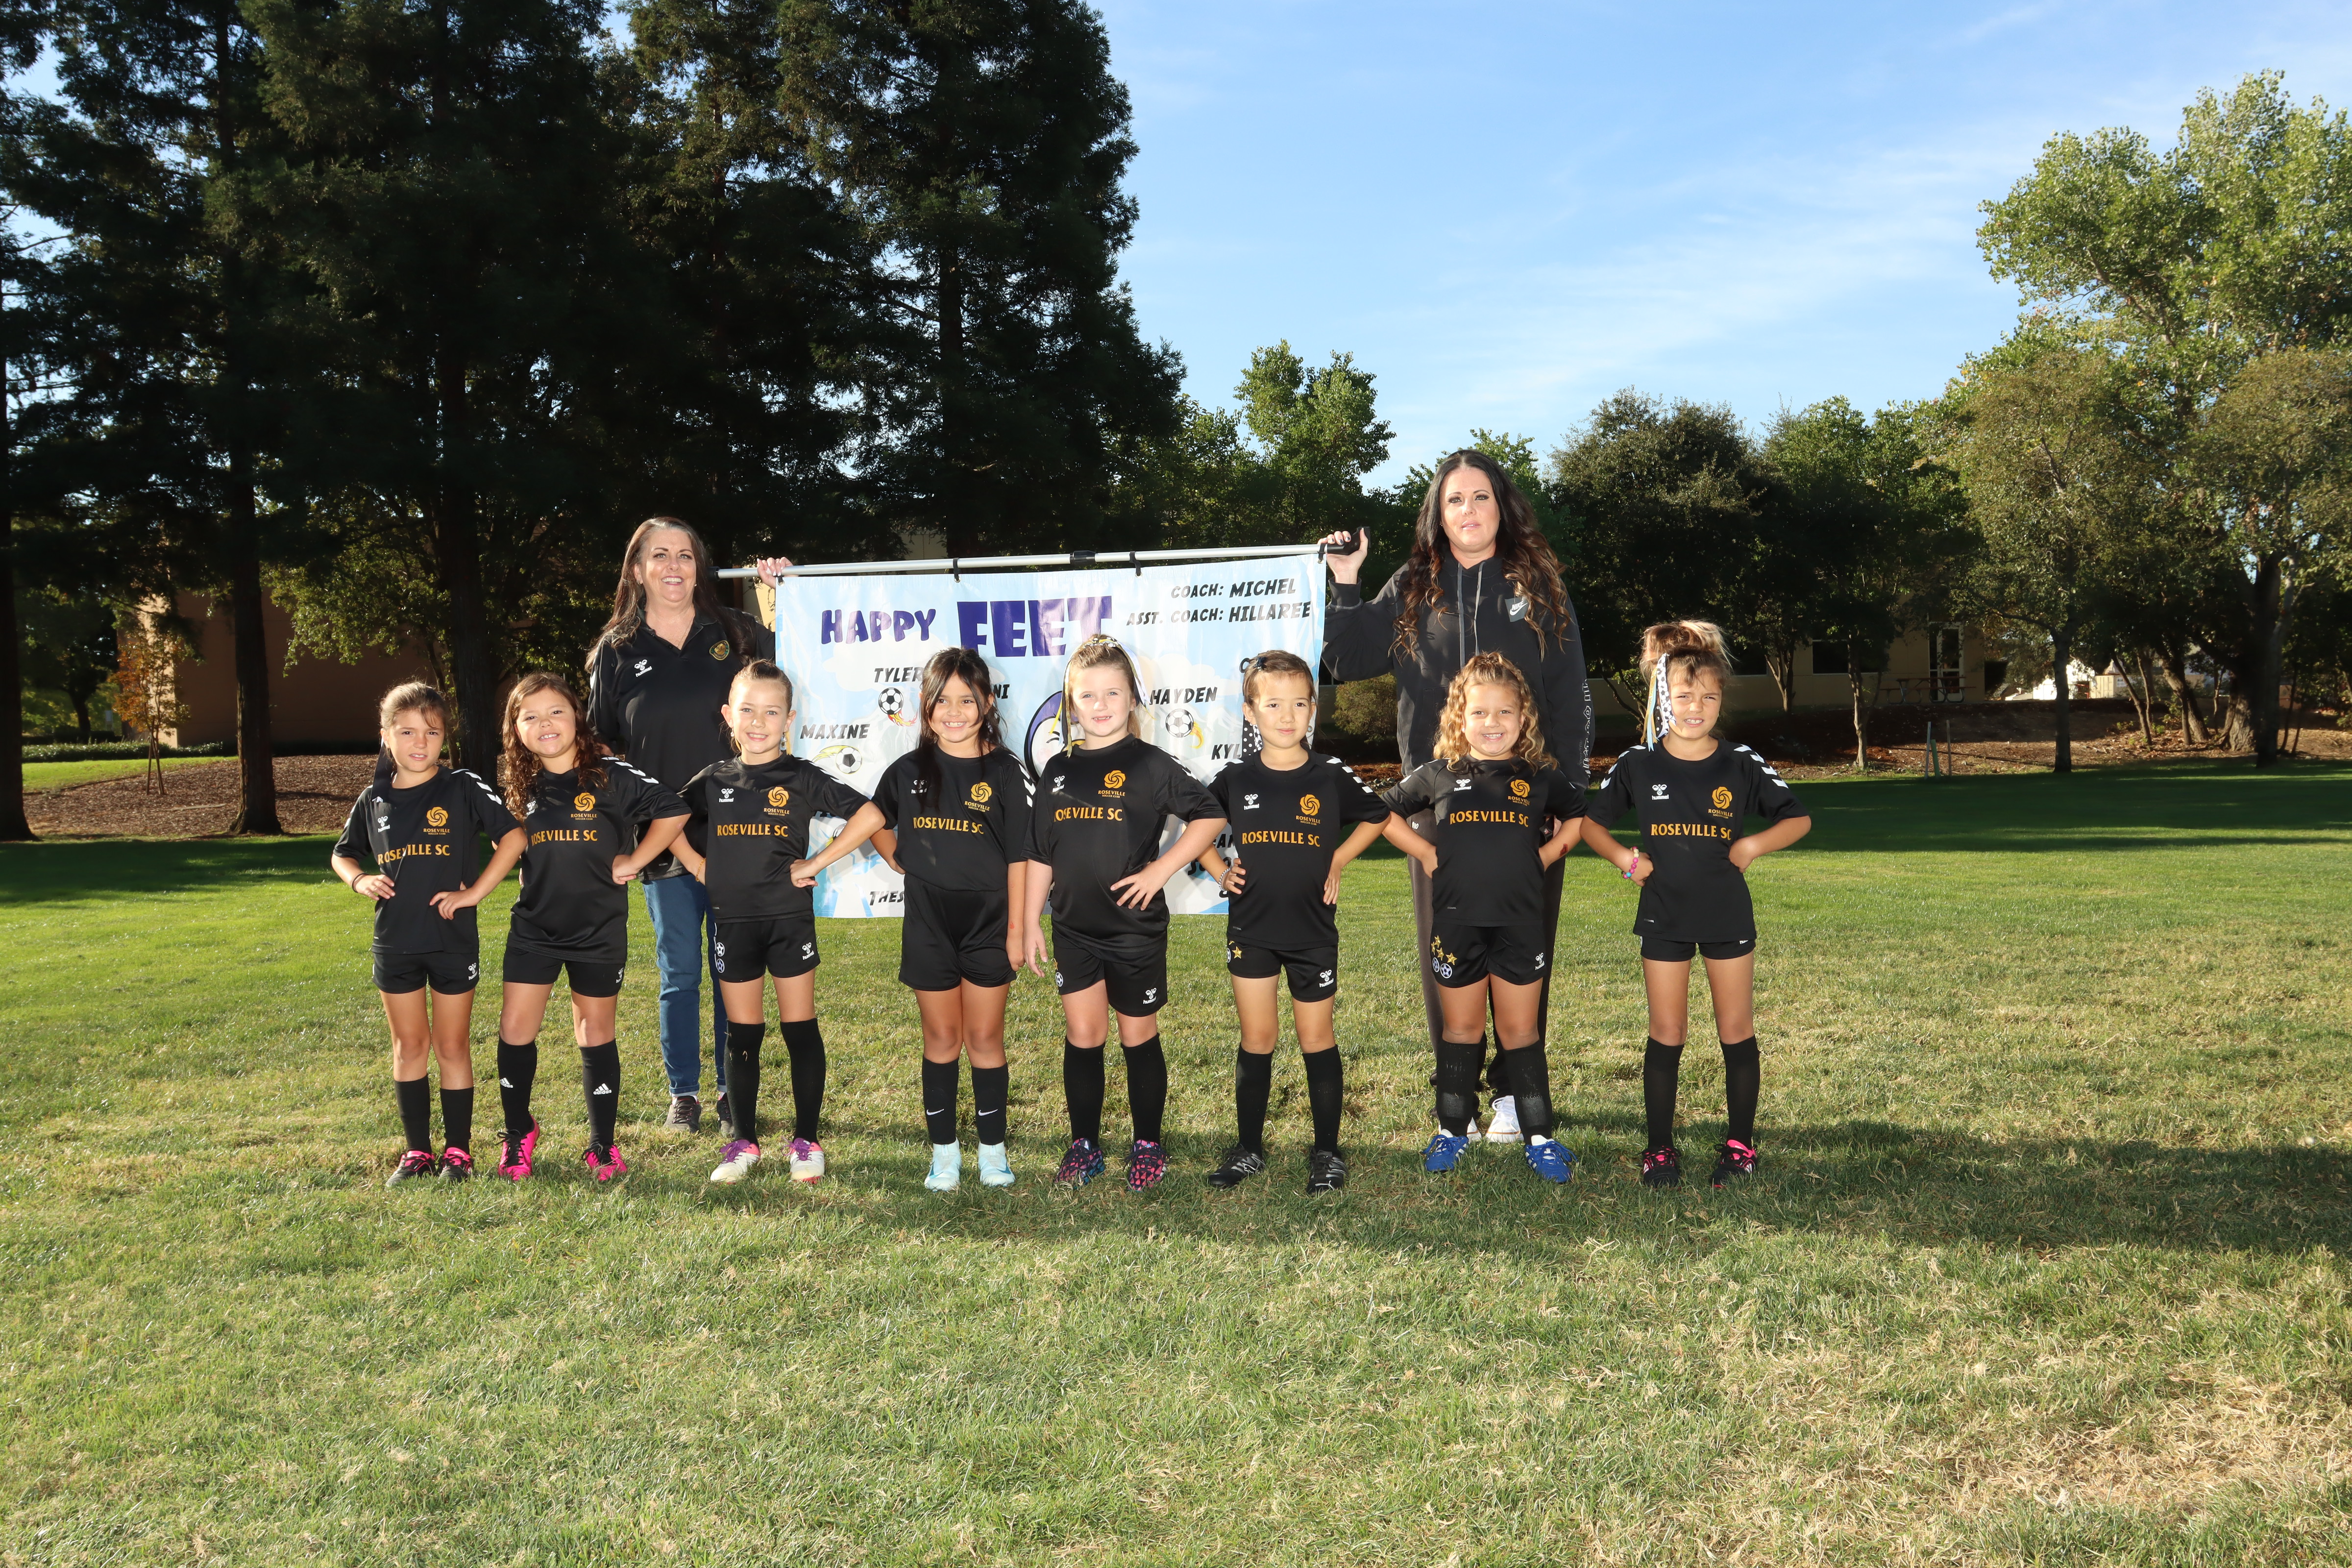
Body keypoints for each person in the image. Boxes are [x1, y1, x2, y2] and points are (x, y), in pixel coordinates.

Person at [1320, 450, 1591, 1143]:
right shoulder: (1414, 585)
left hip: (1526, 806)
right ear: (1437, 516)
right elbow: (1346, 659)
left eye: (1481, 497)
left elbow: (1568, 693)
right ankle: (1457, 1095)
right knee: (1445, 951)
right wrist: (1345, 582)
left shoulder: (1539, 584)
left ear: (1503, 506)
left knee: (1525, 948)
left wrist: (1568, 792)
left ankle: (1515, 1092)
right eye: (1454, 500)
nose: (1468, 511)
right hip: (1437, 808)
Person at [1578, 621, 1810, 1188]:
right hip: (1665, 915)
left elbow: (1798, 818)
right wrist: (1626, 860)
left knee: (1736, 1028)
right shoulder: (1639, 762)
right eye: (1684, 695)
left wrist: (1753, 845)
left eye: (1709, 696)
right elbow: (1590, 824)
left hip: (1727, 914)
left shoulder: (1741, 761)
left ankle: (1740, 1147)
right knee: (1667, 1030)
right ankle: (1659, 1149)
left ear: (1721, 699)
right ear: (1665, 698)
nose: (1696, 707)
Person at [586, 516, 791, 1136]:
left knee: (735, 967)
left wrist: (781, 596)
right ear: (637, 568)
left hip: (741, 831)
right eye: (659, 555)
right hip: (662, 838)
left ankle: (733, 1089)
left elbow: (798, 661)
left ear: (700, 565)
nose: (673, 566)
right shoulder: (615, 651)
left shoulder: (736, 630)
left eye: (685, 555)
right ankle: (685, 1093)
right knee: (679, 971)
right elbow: (601, 749)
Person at [1193, 650, 1420, 1194]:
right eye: (1273, 704)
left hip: (1312, 934)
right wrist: (1220, 870)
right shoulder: (1236, 777)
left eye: (1299, 703)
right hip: (1251, 931)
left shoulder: (1329, 775)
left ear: (1313, 709)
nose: (1287, 715)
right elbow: (1196, 824)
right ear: (1251, 712)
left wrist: (1337, 859)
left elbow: (1379, 817)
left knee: (1317, 1038)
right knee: (1257, 1038)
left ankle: (1327, 1152)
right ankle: (1249, 1149)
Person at [1021, 635, 1226, 1192]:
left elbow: (1209, 814)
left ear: (1133, 698)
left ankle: (1148, 1144)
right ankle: (1084, 1145)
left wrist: (1161, 870)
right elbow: (1040, 852)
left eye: (1113, 692)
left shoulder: (1149, 764)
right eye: (1088, 695)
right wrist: (1030, 919)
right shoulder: (1057, 770)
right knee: (1083, 1033)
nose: (1101, 704)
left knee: (1138, 1035)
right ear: (1071, 704)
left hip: (1134, 931)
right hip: (1073, 929)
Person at [674, 660, 883, 1186]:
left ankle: (806, 1140)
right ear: (729, 715)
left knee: (799, 1028)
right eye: (748, 710)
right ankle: (743, 1142)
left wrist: (816, 863)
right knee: (742, 1032)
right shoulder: (714, 779)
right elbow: (663, 816)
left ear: (790, 719)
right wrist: (697, 864)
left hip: (789, 922)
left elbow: (871, 815)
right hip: (733, 923)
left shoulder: (801, 776)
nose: (758, 722)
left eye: (772, 712)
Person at [1380, 653, 1585, 1182]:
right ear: (1460, 717)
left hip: (1519, 925)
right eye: (1479, 712)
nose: (1492, 723)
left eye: (1504, 712)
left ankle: (1540, 1137)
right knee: (1461, 1028)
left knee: (1520, 1031)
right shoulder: (1440, 774)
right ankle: (1453, 1129)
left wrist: (1548, 854)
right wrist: (1426, 854)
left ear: (1523, 717)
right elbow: (1382, 811)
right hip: (1457, 924)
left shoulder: (1540, 776)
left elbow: (1581, 815)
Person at [492, 672, 688, 1183]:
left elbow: (674, 809)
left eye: (556, 711)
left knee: (595, 1032)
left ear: (576, 717)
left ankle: (602, 1144)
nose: (545, 723)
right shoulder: (520, 785)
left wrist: (637, 859)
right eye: (530, 716)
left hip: (598, 931)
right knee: (515, 1029)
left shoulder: (611, 775)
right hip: (535, 929)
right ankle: (518, 1133)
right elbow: (506, 843)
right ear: (517, 729)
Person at [331, 683, 526, 1186]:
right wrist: (358, 879)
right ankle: (417, 1151)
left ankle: (458, 1152)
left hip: (451, 941)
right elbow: (342, 852)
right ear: (385, 735)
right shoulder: (373, 798)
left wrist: (474, 893)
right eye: (407, 732)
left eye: (432, 732)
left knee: (451, 1046)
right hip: (395, 941)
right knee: (409, 1046)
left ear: (445, 738)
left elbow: (513, 837)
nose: (420, 742)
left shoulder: (462, 785)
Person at [868, 648, 1032, 1192]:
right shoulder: (909, 770)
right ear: (925, 704)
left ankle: (992, 1152)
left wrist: (1016, 929)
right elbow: (874, 819)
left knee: (984, 1036)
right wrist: (899, 857)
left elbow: (1020, 857)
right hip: (929, 924)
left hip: (989, 924)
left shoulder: (1006, 771)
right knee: (941, 1037)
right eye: (943, 701)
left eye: (967, 700)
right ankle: (944, 1155)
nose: (955, 712)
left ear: (988, 703)